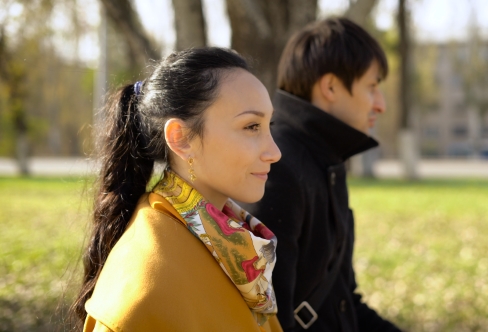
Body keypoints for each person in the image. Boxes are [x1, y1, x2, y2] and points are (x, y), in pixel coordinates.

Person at [71, 47, 283, 332]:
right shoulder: (148, 285)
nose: (275, 152)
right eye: (251, 126)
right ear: (181, 139)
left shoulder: (227, 238)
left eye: (269, 125)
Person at [243, 18, 404, 331]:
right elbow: (272, 321)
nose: (380, 104)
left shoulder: (326, 160)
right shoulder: (277, 166)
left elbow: (343, 301)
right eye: (372, 87)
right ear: (330, 87)